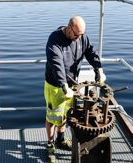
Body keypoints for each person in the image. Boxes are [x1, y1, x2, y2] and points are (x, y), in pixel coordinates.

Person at [44, 16, 106, 162]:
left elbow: (91, 52)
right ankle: (50, 145)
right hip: (55, 85)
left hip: (72, 85)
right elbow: (56, 63)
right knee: (53, 117)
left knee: (65, 114)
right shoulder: (55, 39)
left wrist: (98, 69)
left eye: (81, 35)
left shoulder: (82, 38)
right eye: (76, 34)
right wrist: (63, 85)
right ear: (69, 28)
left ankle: (61, 139)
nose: (79, 38)